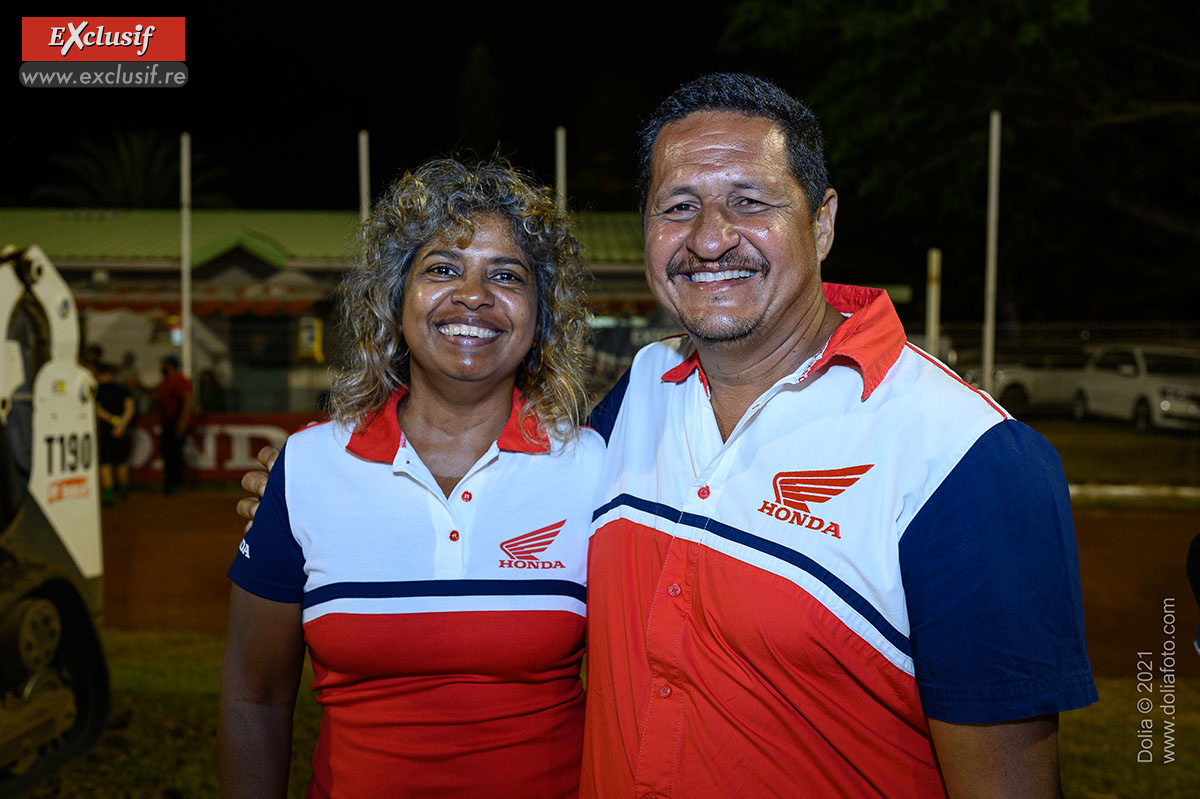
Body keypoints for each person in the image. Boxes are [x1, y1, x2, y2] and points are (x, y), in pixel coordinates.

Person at [240, 76, 1097, 797]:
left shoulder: (970, 458)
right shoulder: (641, 396)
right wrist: (303, 487)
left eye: (750, 203)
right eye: (678, 206)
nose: (711, 238)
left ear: (824, 220)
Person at [219, 158, 601, 799]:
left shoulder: (595, 468)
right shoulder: (308, 466)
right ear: (396, 300)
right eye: (443, 269)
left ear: (542, 318)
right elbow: (254, 698)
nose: (473, 296)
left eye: (507, 276)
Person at [95, 362, 135, 505]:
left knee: (105, 463)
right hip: (121, 430)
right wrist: (121, 425)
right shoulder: (122, 389)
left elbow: (97, 410)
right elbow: (130, 408)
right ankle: (124, 491)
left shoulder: (96, 390)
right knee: (121, 461)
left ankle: (109, 495)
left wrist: (112, 421)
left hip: (105, 430)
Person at [153, 354, 191, 493]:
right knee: (167, 453)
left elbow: (187, 400)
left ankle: (176, 484)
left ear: (170, 365)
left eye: (164, 364)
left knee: (175, 454)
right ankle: (170, 483)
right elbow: (155, 396)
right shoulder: (166, 381)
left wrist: (182, 422)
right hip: (167, 422)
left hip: (176, 421)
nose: (161, 367)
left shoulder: (179, 380)